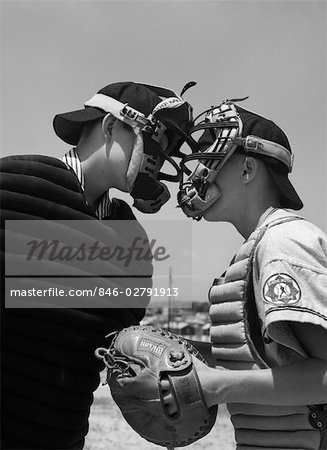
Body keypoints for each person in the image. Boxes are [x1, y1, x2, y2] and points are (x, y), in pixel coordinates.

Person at [0, 81, 193, 449]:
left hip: (64, 436)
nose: (158, 159)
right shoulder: (14, 185)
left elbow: (99, 352)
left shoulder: (131, 242)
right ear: (109, 127)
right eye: (153, 142)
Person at [164, 99, 327, 449]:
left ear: (247, 169)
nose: (197, 174)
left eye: (211, 161)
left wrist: (211, 385)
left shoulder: (283, 241)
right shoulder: (259, 244)